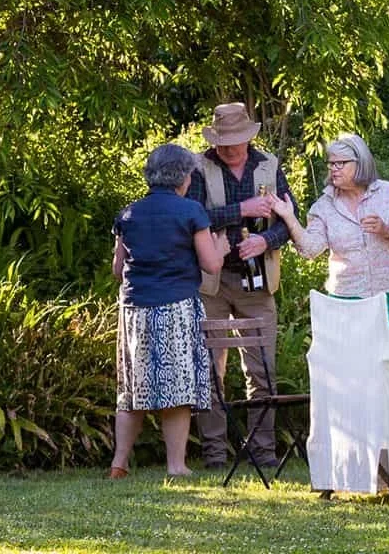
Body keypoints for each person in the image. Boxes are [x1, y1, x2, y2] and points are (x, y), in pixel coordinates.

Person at [109, 143, 229, 479]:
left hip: (134, 309)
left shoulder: (128, 214)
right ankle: (176, 465)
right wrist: (220, 248)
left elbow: (118, 270)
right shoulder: (190, 212)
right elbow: (210, 264)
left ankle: (119, 462)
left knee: (133, 386)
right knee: (176, 386)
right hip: (175, 306)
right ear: (184, 177)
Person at [188, 101, 293, 471]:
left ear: (248, 137)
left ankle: (262, 451)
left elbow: (288, 220)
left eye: (236, 139)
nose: (229, 147)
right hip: (212, 281)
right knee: (210, 368)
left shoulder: (269, 166)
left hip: (258, 279)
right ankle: (214, 453)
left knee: (262, 368)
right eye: (223, 140)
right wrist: (242, 210)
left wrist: (267, 241)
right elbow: (192, 217)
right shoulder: (198, 167)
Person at [269, 134, 389, 327]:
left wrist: (387, 232)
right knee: (352, 357)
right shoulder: (323, 207)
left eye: (341, 163)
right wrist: (289, 217)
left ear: (360, 162)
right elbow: (311, 250)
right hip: (347, 302)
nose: (333, 169)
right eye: (331, 164)